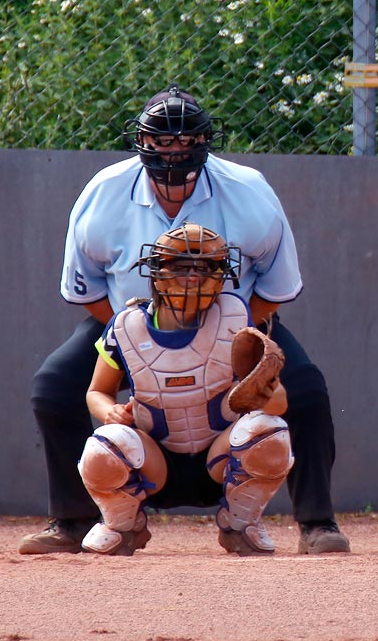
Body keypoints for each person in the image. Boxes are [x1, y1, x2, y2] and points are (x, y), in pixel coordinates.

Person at [21, 86, 349, 556]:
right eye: (162, 142)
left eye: (185, 142)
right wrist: (141, 341)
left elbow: (273, 291)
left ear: (204, 143)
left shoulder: (248, 191)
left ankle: (317, 522)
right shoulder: (104, 194)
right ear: (143, 144)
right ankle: (73, 522)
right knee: (52, 386)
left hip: (237, 322)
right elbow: (88, 289)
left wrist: (226, 339)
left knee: (308, 390)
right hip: (129, 318)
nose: (174, 152)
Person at [79, 222, 292, 555]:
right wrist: (111, 412)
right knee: (104, 447)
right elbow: (97, 392)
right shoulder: (126, 325)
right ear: (157, 271)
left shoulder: (236, 319)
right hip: (154, 464)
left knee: (270, 433)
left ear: (223, 274)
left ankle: (240, 523)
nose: (193, 276)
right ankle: (123, 525)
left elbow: (279, 405)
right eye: (181, 266)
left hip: (220, 462)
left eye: (206, 267)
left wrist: (263, 389)